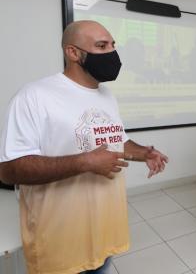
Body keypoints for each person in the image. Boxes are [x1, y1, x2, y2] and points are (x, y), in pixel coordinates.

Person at [0, 20, 169, 274]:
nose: (112, 53)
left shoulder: (106, 96)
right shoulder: (34, 96)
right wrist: (85, 162)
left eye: (113, 45)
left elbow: (115, 140)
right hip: (60, 244)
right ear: (73, 52)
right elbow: (9, 170)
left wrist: (143, 152)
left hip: (102, 238)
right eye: (101, 46)